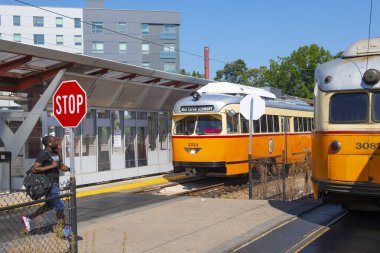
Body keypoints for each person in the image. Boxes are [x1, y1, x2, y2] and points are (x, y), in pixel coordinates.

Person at [21, 135, 70, 235]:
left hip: (54, 183)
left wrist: (70, 169)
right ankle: (64, 229)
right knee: (59, 204)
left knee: (50, 205)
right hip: (48, 184)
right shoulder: (43, 154)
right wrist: (51, 166)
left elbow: (60, 166)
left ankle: (28, 218)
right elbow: (35, 168)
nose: (57, 142)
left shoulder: (56, 153)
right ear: (49, 143)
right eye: (55, 140)